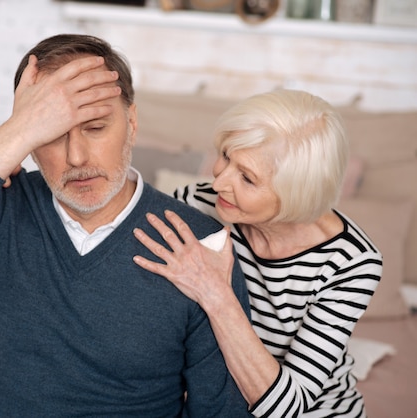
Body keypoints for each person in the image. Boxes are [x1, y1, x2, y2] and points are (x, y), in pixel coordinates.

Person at [0, 34, 252, 417]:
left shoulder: (201, 242)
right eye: (51, 133)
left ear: (132, 124)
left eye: (95, 128)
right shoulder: (0, 207)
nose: (77, 156)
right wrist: (13, 134)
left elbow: (221, 411)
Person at [132, 89, 382, 417]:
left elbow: (287, 406)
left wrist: (215, 294)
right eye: (225, 155)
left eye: (247, 178)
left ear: (296, 193)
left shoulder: (352, 263)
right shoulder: (198, 202)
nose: (219, 182)